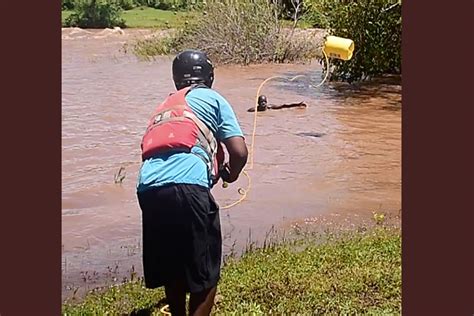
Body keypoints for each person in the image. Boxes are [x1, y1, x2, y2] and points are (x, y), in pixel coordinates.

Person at [136, 50, 248, 316]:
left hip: (148, 189)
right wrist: (231, 174)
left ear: (177, 80)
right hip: (187, 187)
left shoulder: (165, 105)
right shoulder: (213, 98)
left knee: (173, 267)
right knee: (206, 274)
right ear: (209, 77)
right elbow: (240, 152)